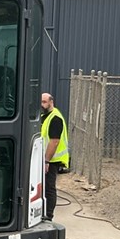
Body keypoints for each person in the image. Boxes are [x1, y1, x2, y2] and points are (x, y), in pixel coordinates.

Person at [40, 92, 70, 220]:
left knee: (49, 187)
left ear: (51, 102)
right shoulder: (44, 116)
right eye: (41, 102)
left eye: (44, 102)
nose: (42, 105)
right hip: (45, 158)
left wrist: (46, 161)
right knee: (44, 187)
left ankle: (48, 215)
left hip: (52, 160)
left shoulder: (55, 118)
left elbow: (54, 141)